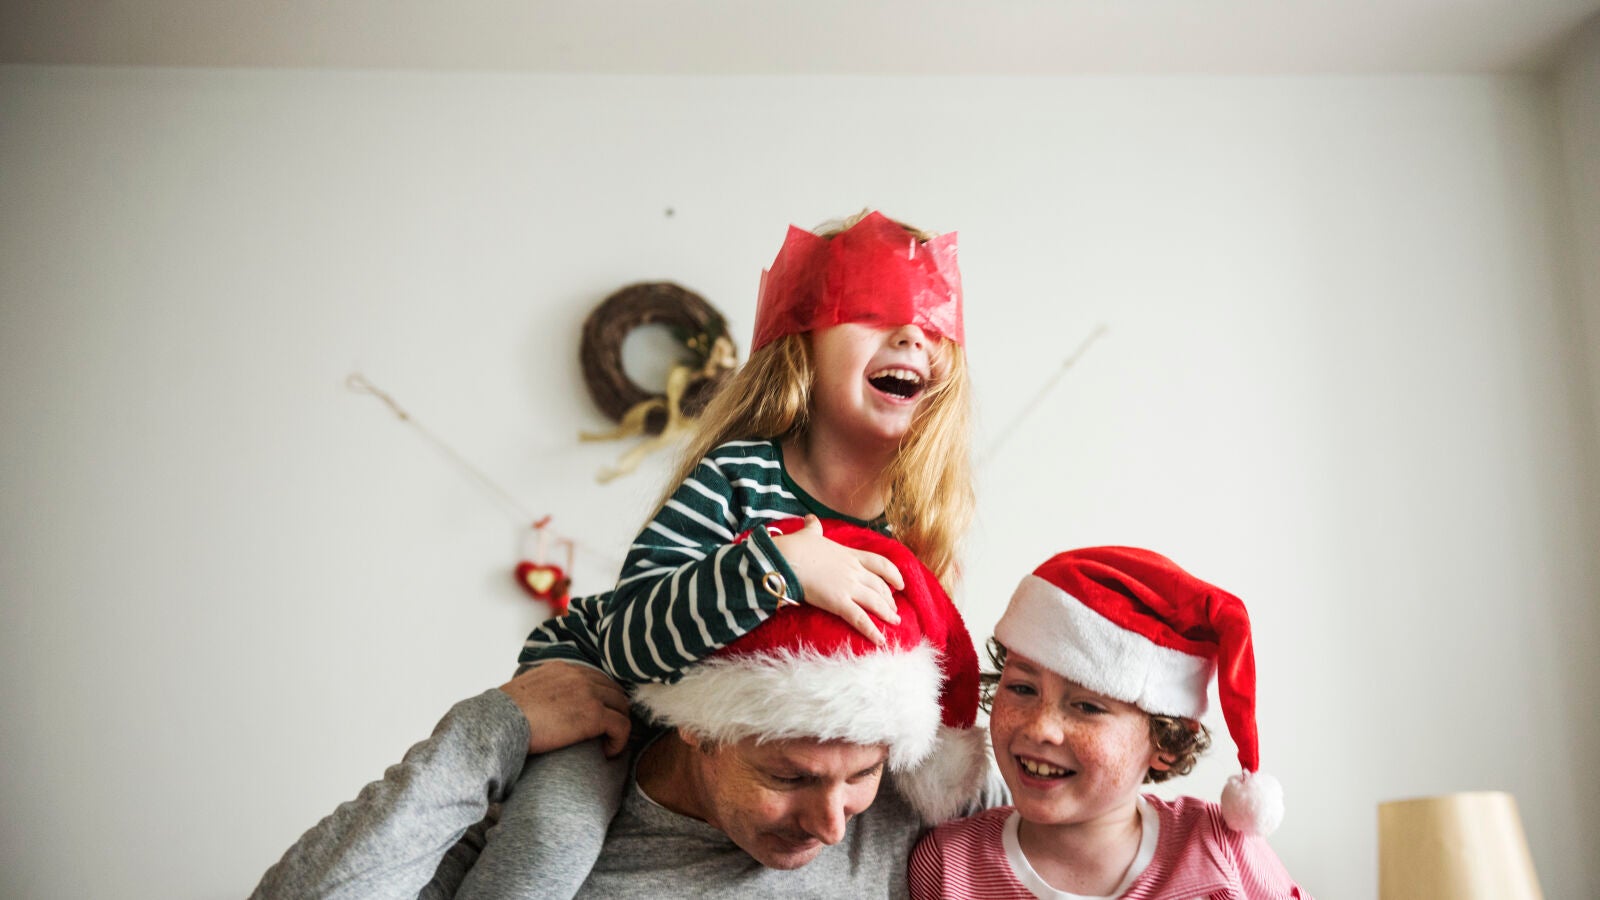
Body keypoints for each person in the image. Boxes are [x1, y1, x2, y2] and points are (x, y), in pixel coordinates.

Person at [460, 210, 977, 900]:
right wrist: (778, 567)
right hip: (606, 686)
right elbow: (633, 639)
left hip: (736, 745)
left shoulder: (918, 518)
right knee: (556, 836)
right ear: (802, 346)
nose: (913, 333)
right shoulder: (739, 477)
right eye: (872, 312)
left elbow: (937, 663)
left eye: (934, 322)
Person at [250, 521, 1000, 900]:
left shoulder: (913, 813)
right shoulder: (548, 819)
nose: (833, 823)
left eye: (860, 774)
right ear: (698, 725)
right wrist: (491, 731)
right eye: (789, 775)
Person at [908, 547, 1311, 899]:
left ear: (1167, 745)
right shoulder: (948, 868)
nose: (1040, 727)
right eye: (1022, 689)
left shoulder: (1219, 850)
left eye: (1087, 706)